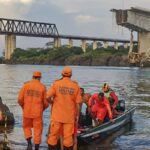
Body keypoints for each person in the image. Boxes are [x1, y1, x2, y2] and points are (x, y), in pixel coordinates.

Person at [46, 67, 82, 150]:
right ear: (71, 75)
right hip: (69, 117)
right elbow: (78, 103)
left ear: (62, 74)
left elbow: (47, 96)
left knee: (53, 136)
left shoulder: (56, 84)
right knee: (68, 138)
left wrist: (52, 102)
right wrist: (77, 116)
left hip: (56, 116)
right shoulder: (75, 86)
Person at [18, 71, 49, 150]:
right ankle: (36, 148)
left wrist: (23, 107)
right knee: (38, 130)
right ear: (40, 78)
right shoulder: (42, 87)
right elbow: (46, 103)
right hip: (37, 113)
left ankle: (29, 144)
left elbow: (19, 99)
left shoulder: (26, 85)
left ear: (32, 77)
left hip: (27, 111)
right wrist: (42, 109)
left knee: (26, 127)